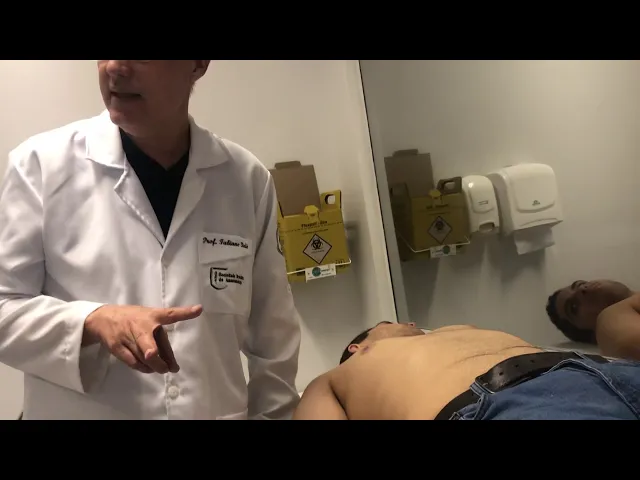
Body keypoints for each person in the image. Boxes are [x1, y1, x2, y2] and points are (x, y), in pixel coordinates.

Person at [0, 60, 302, 420]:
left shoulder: (245, 179)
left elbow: (275, 342)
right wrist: (93, 321)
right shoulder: (40, 166)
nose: (115, 67)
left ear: (198, 65)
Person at [292, 322, 640, 420]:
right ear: (358, 347)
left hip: (606, 372)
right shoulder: (335, 378)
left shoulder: (449, 331)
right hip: (506, 403)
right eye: (389, 322)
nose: (410, 323)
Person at [546, 279, 640, 360]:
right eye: (574, 307)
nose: (582, 289)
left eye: (580, 284)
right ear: (588, 334)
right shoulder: (609, 318)